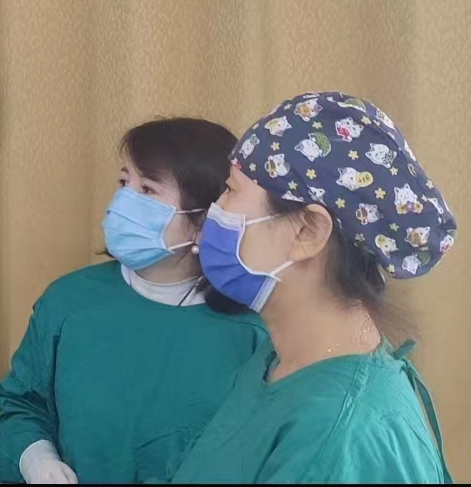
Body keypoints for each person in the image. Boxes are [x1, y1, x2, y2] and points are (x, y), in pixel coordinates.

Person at [170, 92, 454, 483]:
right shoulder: (284, 360)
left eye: (231, 190)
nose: (214, 211)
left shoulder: (341, 438)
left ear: (308, 231)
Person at [0, 118, 270, 484]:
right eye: (124, 183)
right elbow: (21, 404)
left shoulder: (254, 331)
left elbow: (267, 450)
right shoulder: (69, 301)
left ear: (204, 221)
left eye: (148, 189)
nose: (124, 201)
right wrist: (35, 458)